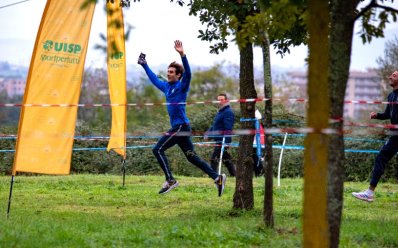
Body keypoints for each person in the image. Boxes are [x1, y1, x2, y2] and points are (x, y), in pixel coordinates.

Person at [137, 40, 226, 196]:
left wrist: (182, 55)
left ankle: (170, 180)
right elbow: (154, 79)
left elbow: (189, 74)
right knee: (192, 157)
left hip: (180, 127)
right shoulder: (166, 87)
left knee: (157, 149)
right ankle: (217, 178)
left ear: (178, 75)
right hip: (182, 128)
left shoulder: (181, 86)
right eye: (168, 71)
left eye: (171, 72)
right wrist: (144, 65)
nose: (168, 73)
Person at [352, 70, 398, 202]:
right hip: (395, 134)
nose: (390, 77)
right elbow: (388, 114)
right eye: (391, 75)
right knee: (381, 157)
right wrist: (377, 115)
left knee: (381, 157)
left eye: (394, 76)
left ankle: (369, 192)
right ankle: (369, 193)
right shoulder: (391, 96)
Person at [205, 93, 236, 177]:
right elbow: (215, 125)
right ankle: (234, 175)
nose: (220, 101)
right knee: (226, 159)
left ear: (226, 100)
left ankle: (213, 176)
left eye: (222, 99)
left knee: (214, 158)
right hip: (217, 139)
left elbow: (228, 128)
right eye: (218, 99)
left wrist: (226, 142)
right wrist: (208, 134)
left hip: (222, 140)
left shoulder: (228, 112)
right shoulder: (220, 112)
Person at [252, 109, 265, 177]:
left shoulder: (257, 125)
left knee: (256, 159)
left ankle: (260, 173)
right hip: (257, 144)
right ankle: (259, 174)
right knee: (255, 159)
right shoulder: (259, 125)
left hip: (256, 145)